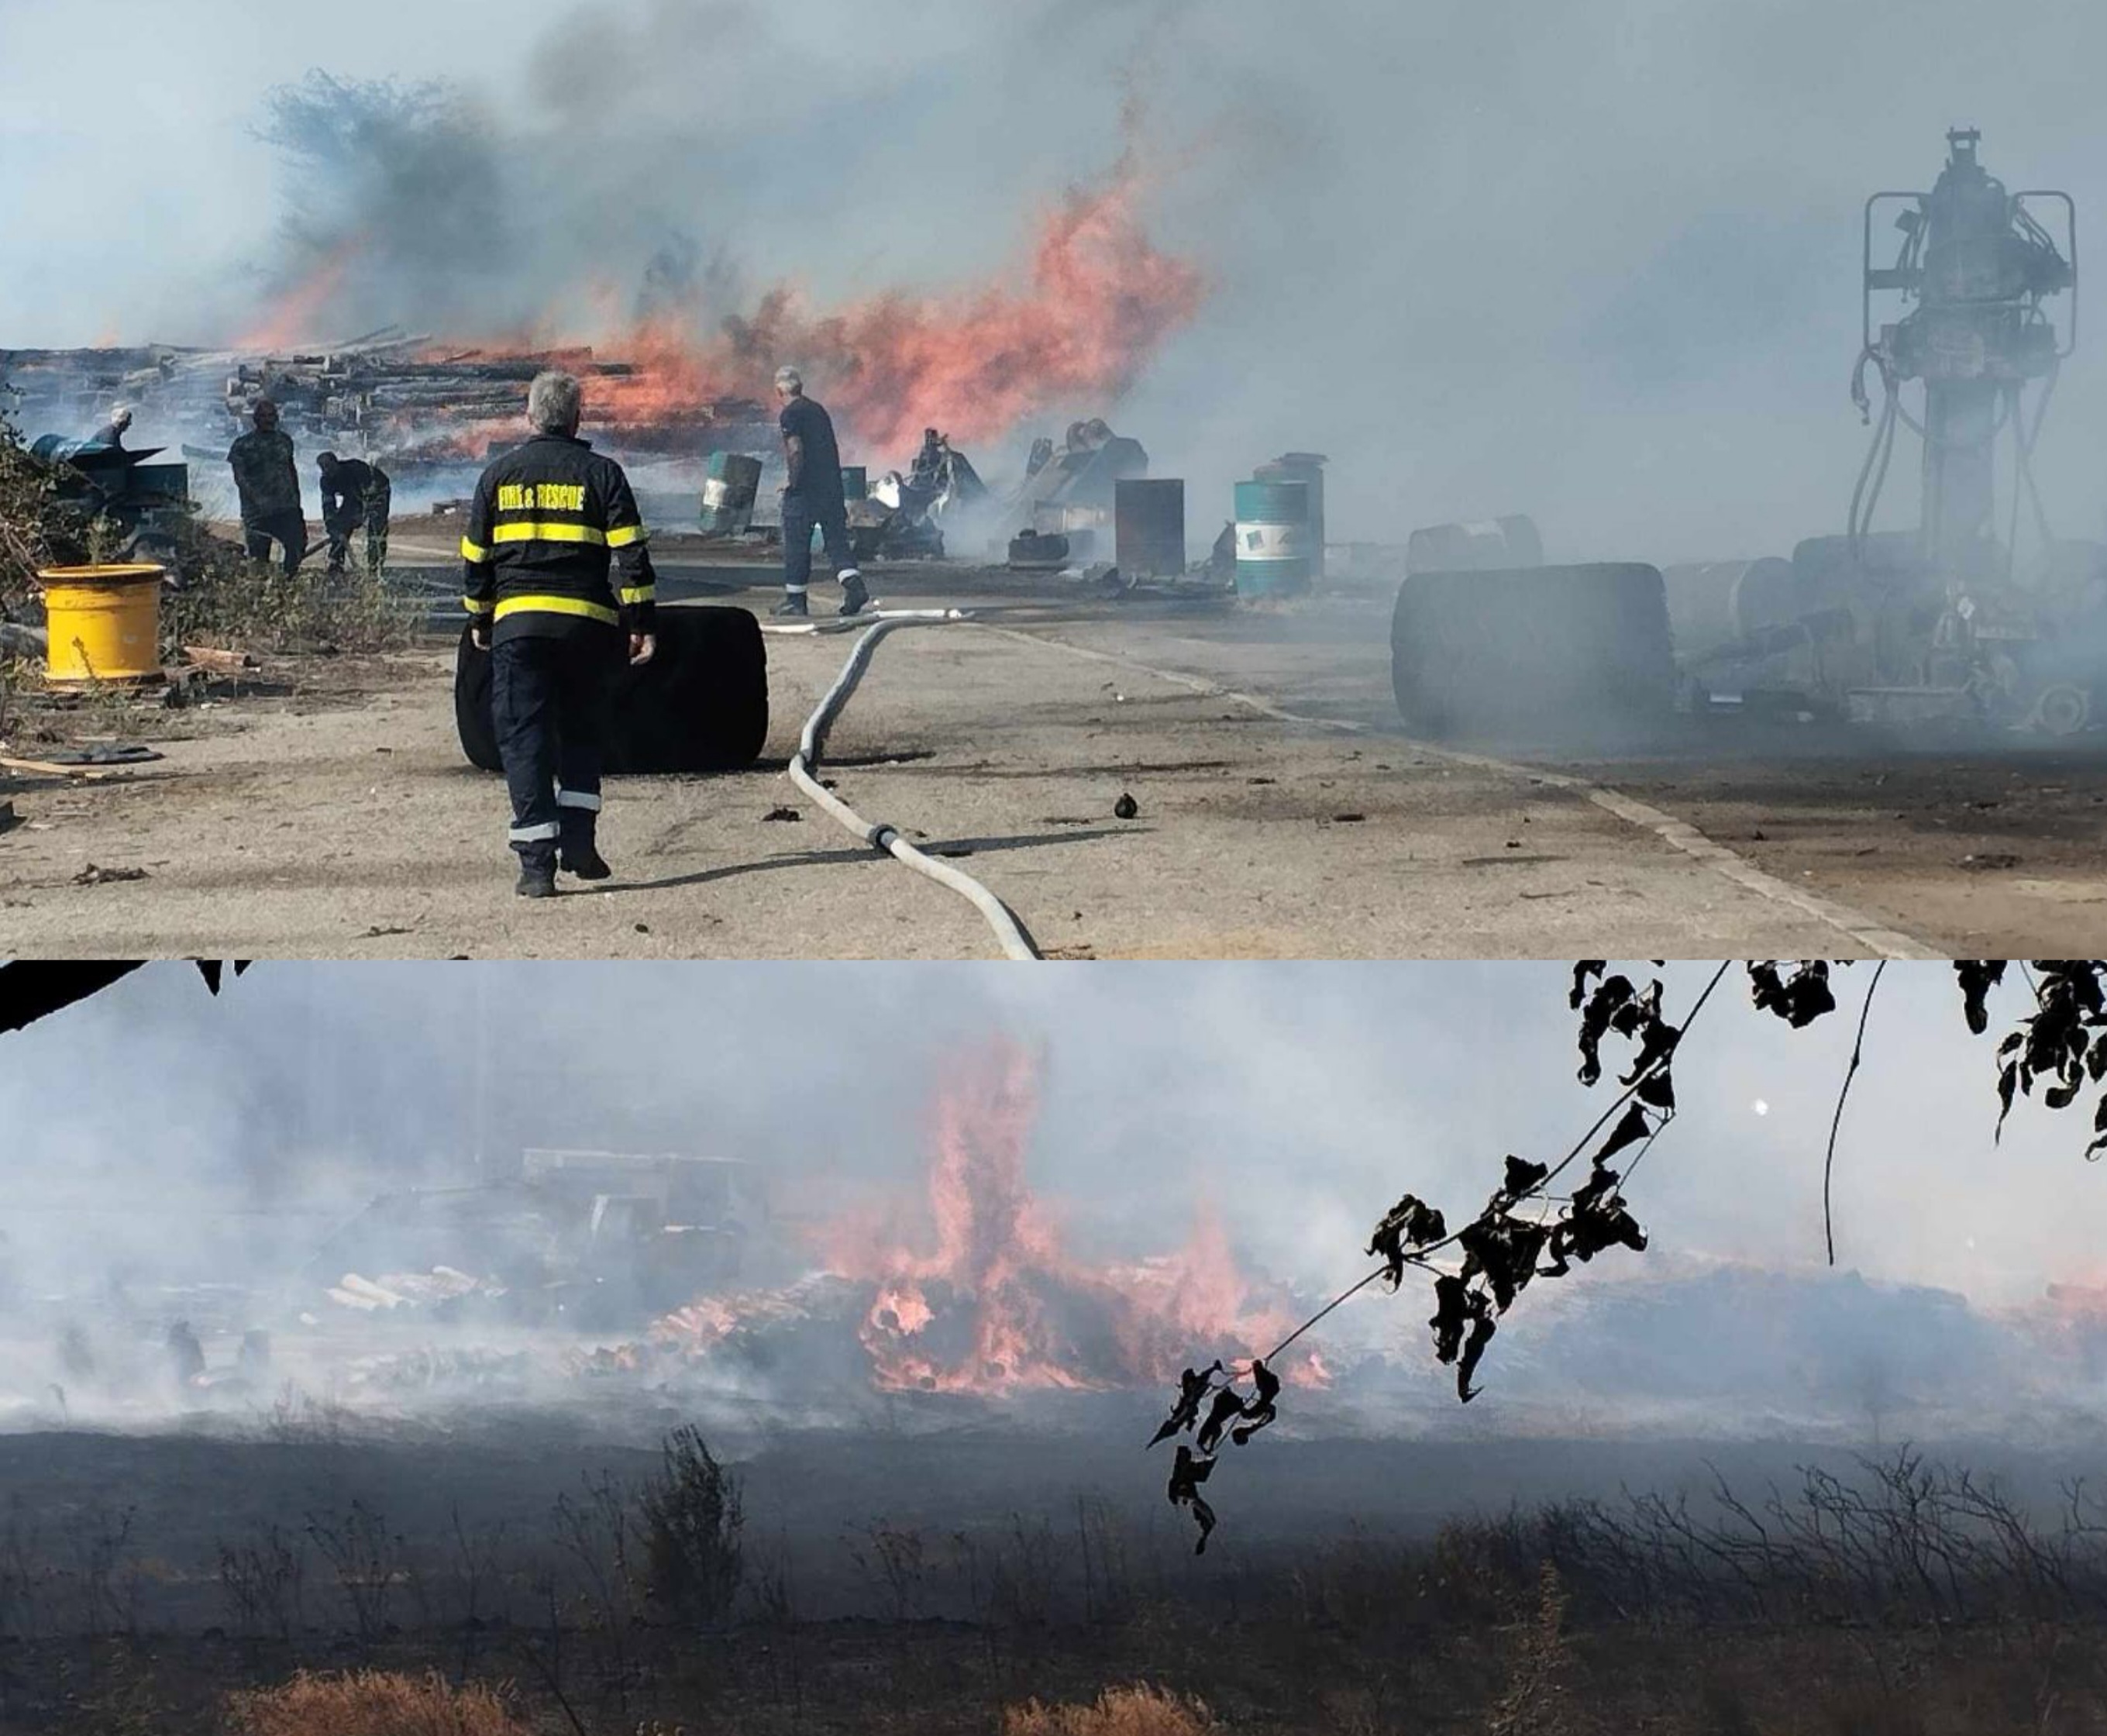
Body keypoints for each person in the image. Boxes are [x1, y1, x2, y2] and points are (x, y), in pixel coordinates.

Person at [463, 370, 657, 899]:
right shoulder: (603, 474)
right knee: (582, 734)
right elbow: (631, 557)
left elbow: (476, 560)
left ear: (529, 417)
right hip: (586, 629)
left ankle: (535, 868)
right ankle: (579, 844)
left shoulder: (497, 477)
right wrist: (641, 624)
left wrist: (481, 619)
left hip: (519, 629)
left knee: (523, 741)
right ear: (577, 419)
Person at [773, 366, 868, 618]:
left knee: (796, 545)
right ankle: (854, 586)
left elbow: (795, 450)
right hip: (832, 488)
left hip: (805, 492)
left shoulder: (790, 414)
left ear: (779, 391)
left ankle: (796, 601)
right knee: (836, 541)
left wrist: (793, 483)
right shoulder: (818, 410)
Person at [227, 399, 307, 575]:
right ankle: (262, 593)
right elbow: (240, 478)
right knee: (258, 558)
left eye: (271, 416)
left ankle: (287, 582)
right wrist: (258, 500)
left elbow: (291, 469)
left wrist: (297, 500)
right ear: (255, 419)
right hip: (257, 512)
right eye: (263, 416)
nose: (268, 420)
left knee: (297, 545)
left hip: (286, 508)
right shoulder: (242, 445)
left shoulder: (285, 441)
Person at [317, 451, 393, 576]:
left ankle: (375, 567)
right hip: (353, 496)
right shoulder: (325, 481)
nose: (327, 470)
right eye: (323, 467)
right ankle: (336, 564)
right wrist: (331, 524)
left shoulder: (355, 468)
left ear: (336, 463)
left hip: (378, 492)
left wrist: (361, 514)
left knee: (376, 530)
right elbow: (328, 505)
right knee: (340, 525)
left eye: (329, 466)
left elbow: (368, 494)